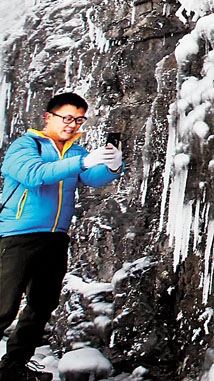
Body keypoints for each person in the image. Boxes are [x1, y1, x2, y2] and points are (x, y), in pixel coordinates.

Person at [0, 92, 122, 381]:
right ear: (48, 117)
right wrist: (82, 162)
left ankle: (13, 367)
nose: (72, 124)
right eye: (67, 118)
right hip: (18, 236)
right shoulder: (26, 145)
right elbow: (34, 175)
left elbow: (93, 178)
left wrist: (113, 165)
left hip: (55, 237)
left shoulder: (75, 152)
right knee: (3, 307)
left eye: (79, 120)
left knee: (42, 305)